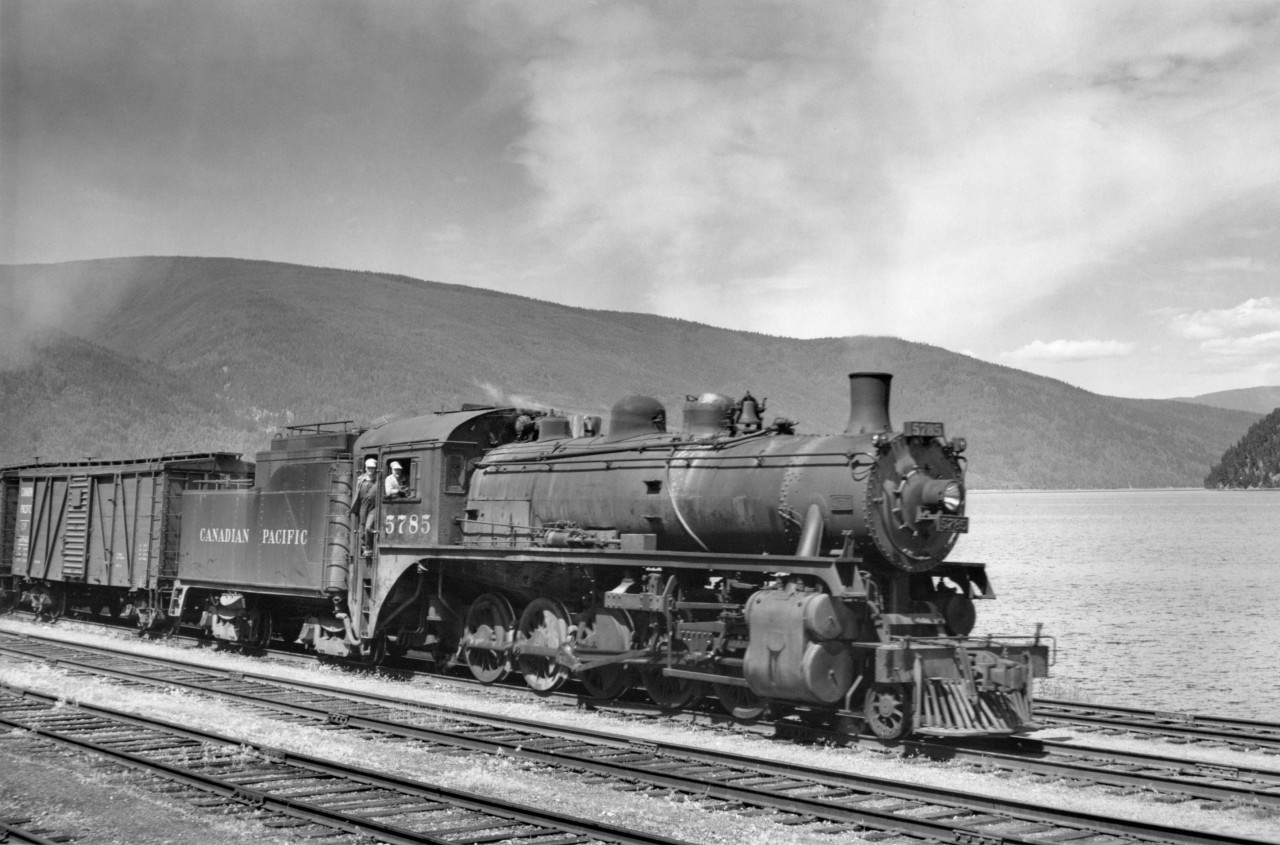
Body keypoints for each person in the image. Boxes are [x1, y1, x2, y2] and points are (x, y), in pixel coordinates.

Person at [350, 457, 378, 556]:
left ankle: (369, 548)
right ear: (366, 468)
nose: (370, 469)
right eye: (369, 468)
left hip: (373, 506)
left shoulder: (378, 479)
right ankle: (363, 548)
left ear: (375, 468)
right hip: (363, 505)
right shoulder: (360, 479)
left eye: (372, 468)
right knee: (362, 526)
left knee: (368, 527)